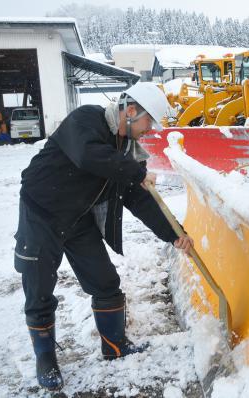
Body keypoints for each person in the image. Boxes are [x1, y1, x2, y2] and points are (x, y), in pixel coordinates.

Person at [13, 82, 193, 391]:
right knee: (39, 288)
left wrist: (174, 233)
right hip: (42, 212)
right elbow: (88, 155)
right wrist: (135, 172)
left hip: (78, 217)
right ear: (131, 111)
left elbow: (139, 199)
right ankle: (46, 360)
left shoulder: (127, 152)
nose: (149, 131)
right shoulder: (86, 120)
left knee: (105, 282)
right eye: (149, 122)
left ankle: (115, 345)